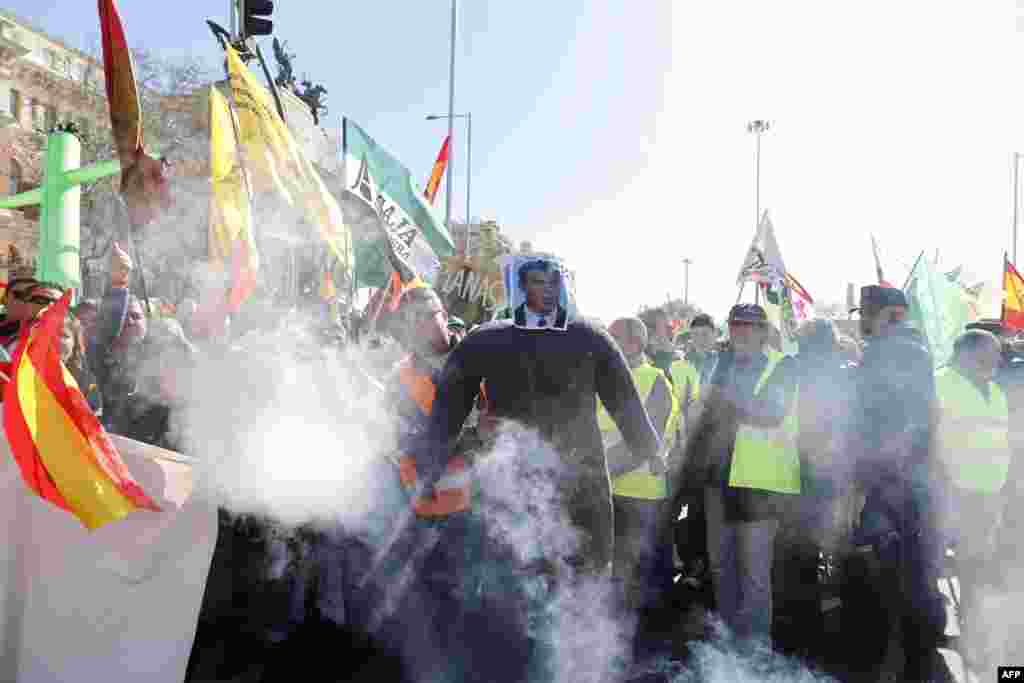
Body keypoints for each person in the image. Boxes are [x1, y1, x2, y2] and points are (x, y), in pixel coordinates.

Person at [415, 264, 661, 682]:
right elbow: (450, 401)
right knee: (511, 593)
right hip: (512, 488)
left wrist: (649, 448)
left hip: (581, 490)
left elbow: (624, 398)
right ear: (519, 286)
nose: (542, 290)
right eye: (534, 282)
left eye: (550, 282)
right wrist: (431, 458)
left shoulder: (589, 338)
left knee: (582, 593)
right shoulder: (488, 339)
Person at [842, 285, 950, 683]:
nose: (860, 320)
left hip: (893, 484)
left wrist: (862, 483)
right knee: (913, 576)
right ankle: (915, 663)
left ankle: (900, 667)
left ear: (887, 314)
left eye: (865, 313)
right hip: (910, 481)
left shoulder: (894, 351)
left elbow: (876, 422)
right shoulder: (913, 349)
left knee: (892, 580)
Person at [679, 303, 799, 649]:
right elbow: (703, 414)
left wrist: (722, 399)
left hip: (759, 486)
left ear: (764, 332)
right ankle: (731, 645)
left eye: (750, 327)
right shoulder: (722, 365)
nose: (741, 333)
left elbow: (768, 413)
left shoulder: (784, 365)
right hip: (717, 481)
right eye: (735, 326)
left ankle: (756, 651)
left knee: (754, 574)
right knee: (721, 568)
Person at [936, 330, 1010, 672]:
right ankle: (949, 637)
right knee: (952, 566)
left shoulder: (994, 390)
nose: (996, 361)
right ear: (967, 354)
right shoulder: (941, 385)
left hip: (988, 495)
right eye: (990, 354)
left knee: (977, 568)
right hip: (954, 493)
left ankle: (973, 633)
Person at [599, 317, 676, 630]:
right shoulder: (603, 378)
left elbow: (645, 443)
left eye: (612, 337)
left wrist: (599, 470)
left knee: (634, 580)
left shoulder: (655, 380)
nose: (606, 343)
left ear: (633, 343)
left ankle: (640, 649)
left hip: (640, 495)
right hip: (607, 491)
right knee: (612, 577)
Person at [61, 313, 103, 416]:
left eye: (63, 335)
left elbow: (93, 424)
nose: (57, 340)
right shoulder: (23, 370)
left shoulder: (86, 381)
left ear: (75, 343)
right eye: (49, 333)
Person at [512, 259, 567, 328]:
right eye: (539, 283)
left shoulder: (572, 322)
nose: (549, 290)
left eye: (554, 282)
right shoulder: (511, 320)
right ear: (522, 286)